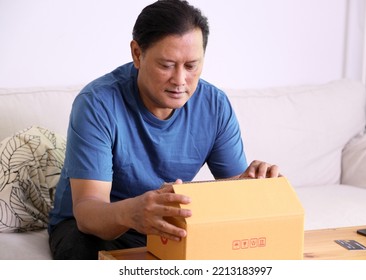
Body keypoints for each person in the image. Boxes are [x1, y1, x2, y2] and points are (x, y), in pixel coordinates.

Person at [48, 0, 280, 260]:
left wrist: (251, 185)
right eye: (167, 65)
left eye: (191, 66)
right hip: (96, 228)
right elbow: (87, 213)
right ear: (137, 54)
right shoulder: (97, 103)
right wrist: (132, 212)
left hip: (168, 223)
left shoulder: (214, 105)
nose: (180, 81)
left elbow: (233, 196)